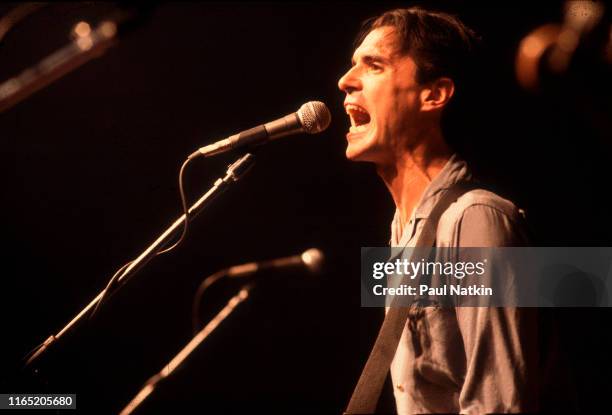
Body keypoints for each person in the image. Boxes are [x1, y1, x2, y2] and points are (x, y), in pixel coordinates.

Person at [338, 7, 541, 414]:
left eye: (374, 65)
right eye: (353, 65)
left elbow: (499, 406)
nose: (345, 81)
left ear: (434, 94)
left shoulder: (475, 219)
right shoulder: (402, 232)